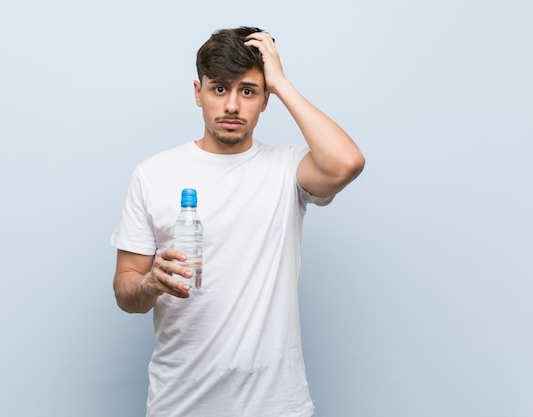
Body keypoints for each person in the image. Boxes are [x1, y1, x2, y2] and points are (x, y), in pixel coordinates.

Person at [111, 26, 365, 417]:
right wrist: (148, 283)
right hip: (180, 404)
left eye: (248, 91)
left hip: (276, 405)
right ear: (198, 93)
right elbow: (126, 290)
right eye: (219, 89)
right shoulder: (152, 174)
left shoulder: (288, 169)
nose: (232, 105)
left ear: (265, 99)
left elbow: (347, 163)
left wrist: (280, 82)